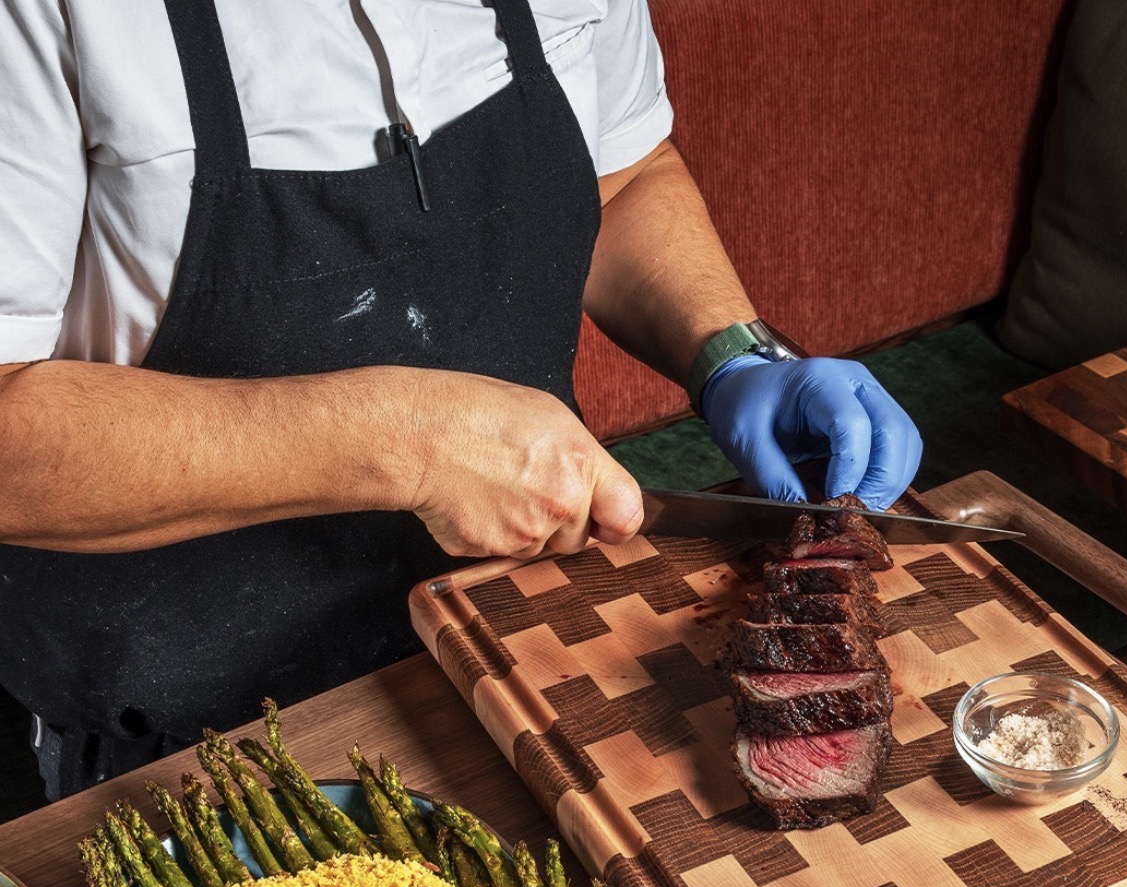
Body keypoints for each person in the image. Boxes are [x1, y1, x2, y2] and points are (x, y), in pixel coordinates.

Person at [0, 0, 921, 800]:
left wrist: (730, 352)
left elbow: (624, 175)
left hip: (523, 650)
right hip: (185, 735)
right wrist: (409, 445)